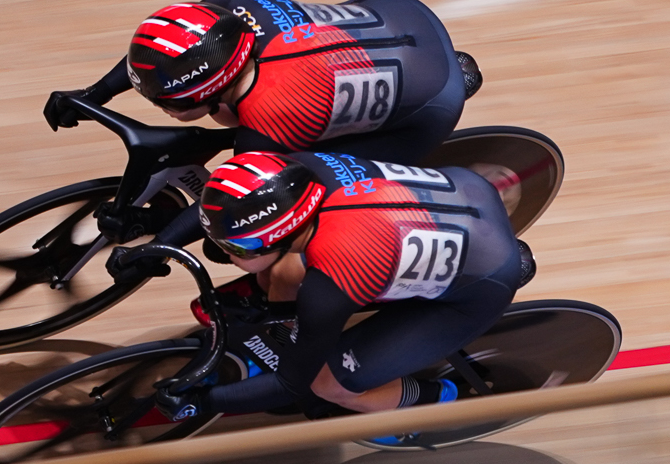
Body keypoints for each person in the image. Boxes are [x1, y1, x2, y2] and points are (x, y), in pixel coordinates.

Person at [166, 151, 531, 431]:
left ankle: (442, 397)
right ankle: (291, 331)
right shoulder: (296, 174)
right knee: (288, 273)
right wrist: (157, 245)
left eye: (238, 249)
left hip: (482, 285)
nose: (224, 255)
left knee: (328, 385)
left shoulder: (331, 282)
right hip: (466, 192)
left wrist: (202, 400)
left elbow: (291, 385)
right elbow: (224, 202)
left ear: (279, 236)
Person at [42, 0, 482, 165]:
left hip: (432, 99)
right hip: (397, 12)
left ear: (207, 93)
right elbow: (159, 54)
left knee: (308, 193)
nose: (159, 107)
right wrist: (94, 94)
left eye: (166, 103)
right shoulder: (221, 11)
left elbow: (242, 193)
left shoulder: (271, 108)